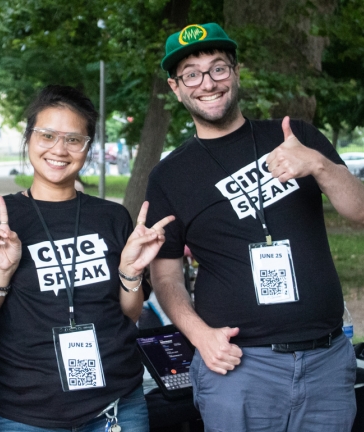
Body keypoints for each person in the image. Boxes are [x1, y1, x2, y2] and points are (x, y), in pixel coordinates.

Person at [145, 22, 364, 431]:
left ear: (236, 72)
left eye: (218, 68)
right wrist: (199, 336)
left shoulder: (294, 136)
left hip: (327, 360)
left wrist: (318, 165)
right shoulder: (169, 176)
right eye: (191, 74)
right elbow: (165, 274)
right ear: (176, 88)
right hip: (239, 369)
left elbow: (359, 210)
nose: (207, 83)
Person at [0, 85, 173, 431]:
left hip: (117, 406)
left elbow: (131, 312)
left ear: (88, 148)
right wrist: (2, 273)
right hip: (27, 412)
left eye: (74, 140)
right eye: (47, 135)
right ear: (28, 138)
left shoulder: (112, 217)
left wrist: (130, 272)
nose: (59, 149)